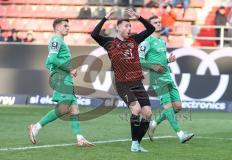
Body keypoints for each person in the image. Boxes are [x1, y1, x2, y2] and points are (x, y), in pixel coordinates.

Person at [91, 9, 155, 152]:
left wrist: (139, 17)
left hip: (137, 82)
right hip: (122, 83)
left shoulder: (135, 40)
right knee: (136, 109)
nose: (129, 28)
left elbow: (151, 28)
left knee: (148, 114)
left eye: (130, 26)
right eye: (126, 26)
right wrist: (105, 18)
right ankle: (134, 144)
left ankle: (137, 143)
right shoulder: (109, 43)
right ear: (118, 28)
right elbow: (94, 34)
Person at [28, 18, 94, 147]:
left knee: (74, 108)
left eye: (68, 26)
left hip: (65, 77)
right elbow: (52, 59)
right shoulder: (56, 40)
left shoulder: (59, 41)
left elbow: (49, 61)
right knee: (64, 108)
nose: (68, 28)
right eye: (65, 25)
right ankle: (36, 127)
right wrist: (69, 69)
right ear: (57, 27)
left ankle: (79, 138)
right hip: (61, 78)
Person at [138, 15, 194, 143]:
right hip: (157, 79)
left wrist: (168, 60)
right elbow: (139, 60)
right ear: (149, 25)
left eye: (159, 22)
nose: (158, 24)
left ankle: (153, 124)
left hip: (167, 76)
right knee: (168, 107)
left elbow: (161, 61)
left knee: (178, 106)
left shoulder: (162, 41)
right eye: (155, 22)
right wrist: (152, 66)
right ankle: (180, 134)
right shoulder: (146, 41)